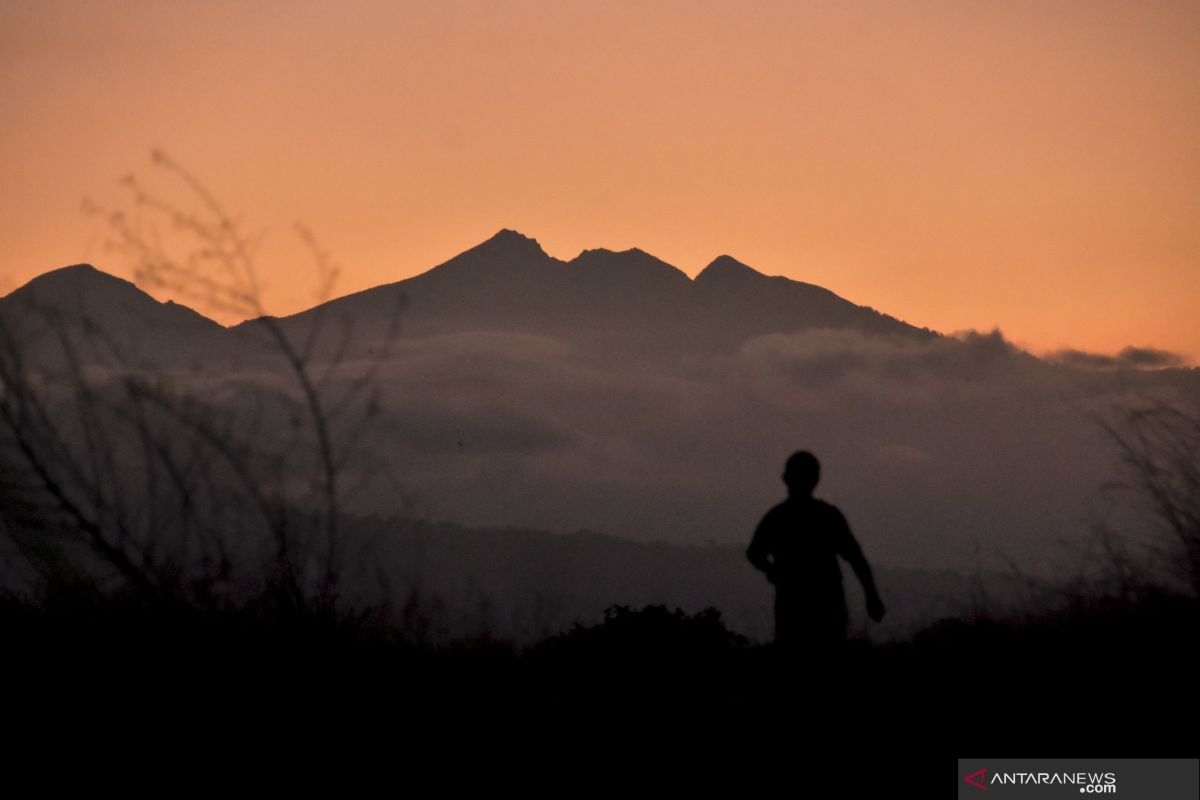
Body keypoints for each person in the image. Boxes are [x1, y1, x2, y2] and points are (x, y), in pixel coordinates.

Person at [747, 451, 885, 653]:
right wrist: (871, 596)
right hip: (826, 606)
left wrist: (774, 571)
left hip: (792, 607)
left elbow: (754, 553)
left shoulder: (778, 517)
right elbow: (856, 559)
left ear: (785, 479)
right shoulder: (827, 516)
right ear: (816, 479)